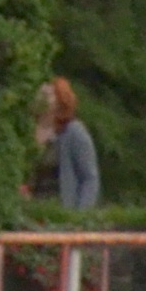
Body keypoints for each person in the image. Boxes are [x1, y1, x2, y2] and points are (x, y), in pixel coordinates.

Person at [30, 79, 100, 214]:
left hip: (61, 212)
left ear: (60, 100)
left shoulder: (74, 131)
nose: (41, 99)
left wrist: (80, 216)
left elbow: (89, 178)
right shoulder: (27, 130)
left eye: (48, 95)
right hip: (31, 211)